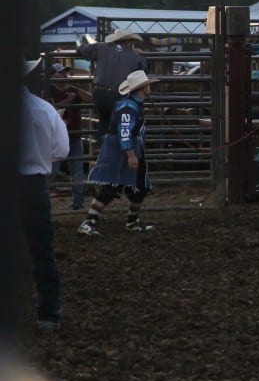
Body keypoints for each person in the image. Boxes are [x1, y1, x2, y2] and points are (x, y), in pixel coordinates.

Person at [77, 70, 160, 236]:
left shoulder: (131, 105)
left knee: (138, 186)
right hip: (122, 150)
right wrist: (131, 154)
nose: (149, 88)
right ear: (142, 88)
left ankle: (132, 222)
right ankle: (88, 222)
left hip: (128, 148)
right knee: (113, 185)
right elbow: (124, 131)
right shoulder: (128, 107)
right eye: (147, 86)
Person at [20, 58, 69, 330]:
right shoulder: (45, 110)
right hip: (33, 185)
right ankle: (48, 314)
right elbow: (61, 150)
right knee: (42, 251)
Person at [77, 28, 146, 141]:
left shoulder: (101, 47)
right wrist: (140, 56)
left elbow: (82, 49)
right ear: (129, 41)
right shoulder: (135, 55)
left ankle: (102, 145)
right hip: (120, 94)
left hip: (100, 94)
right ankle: (117, 146)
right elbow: (142, 71)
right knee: (119, 123)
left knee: (104, 121)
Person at [49, 62, 91, 210]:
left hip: (73, 136)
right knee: (52, 171)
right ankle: (43, 199)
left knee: (77, 171)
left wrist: (77, 90)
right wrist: (71, 98)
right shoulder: (50, 91)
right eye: (61, 72)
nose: (65, 75)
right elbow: (54, 107)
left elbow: (90, 99)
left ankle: (78, 203)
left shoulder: (71, 89)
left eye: (65, 72)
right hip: (58, 138)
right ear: (53, 75)